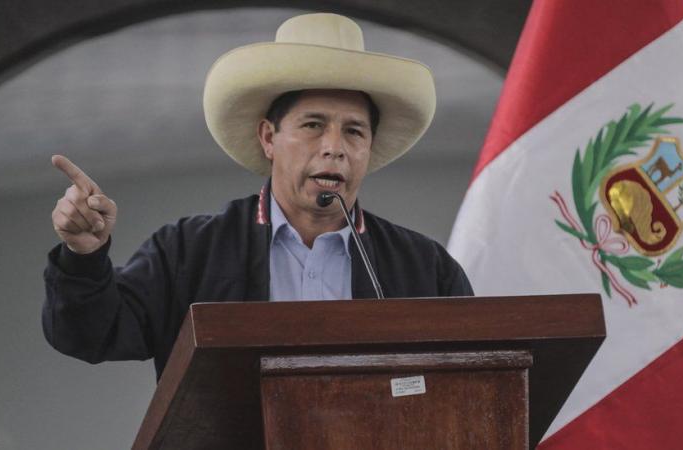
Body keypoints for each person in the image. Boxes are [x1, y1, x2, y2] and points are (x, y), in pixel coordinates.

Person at [43, 13, 473, 378]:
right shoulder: (191, 251)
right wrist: (84, 256)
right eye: (313, 125)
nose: (334, 147)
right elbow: (92, 334)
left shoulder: (425, 268)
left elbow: (472, 379)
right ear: (269, 137)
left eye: (354, 131)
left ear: (369, 147)